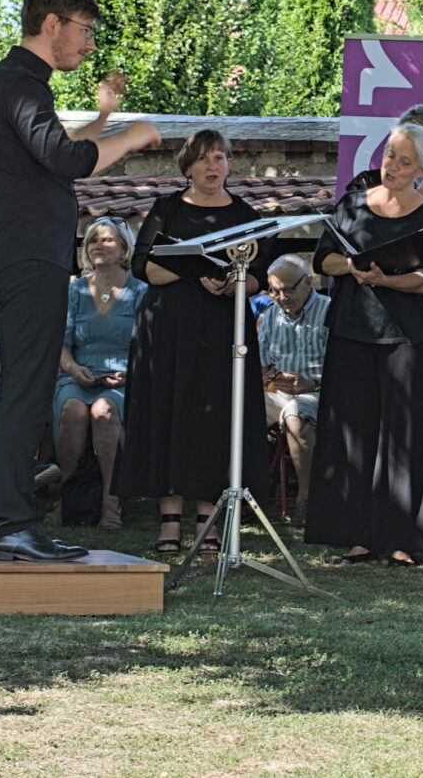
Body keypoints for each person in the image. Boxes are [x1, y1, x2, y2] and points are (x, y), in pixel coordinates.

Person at [0, 0, 158, 562]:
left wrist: (102, 116)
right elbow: (66, 160)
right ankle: (9, 523)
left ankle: (4, 522)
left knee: (18, 392)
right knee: (23, 392)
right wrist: (133, 135)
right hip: (27, 257)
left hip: (21, 254)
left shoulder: (13, 84)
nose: (90, 44)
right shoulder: (21, 83)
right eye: (85, 30)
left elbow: (50, 160)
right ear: (52, 25)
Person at [117, 129, 269, 555]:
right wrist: (191, 271)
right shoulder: (166, 208)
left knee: (214, 420)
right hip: (167, 330)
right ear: (188, 167)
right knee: (167, 414)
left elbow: (260, 273)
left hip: (221, 329)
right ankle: (169, 523)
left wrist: (232, 283)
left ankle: (208, 521)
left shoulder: (243, 214)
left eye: (220, 158)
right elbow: (145, 268)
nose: (212, 166)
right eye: (204, 159)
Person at [306, 122, 423, 566]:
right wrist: (352, 267)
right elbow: (323, 259)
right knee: (356, 434)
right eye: (390, 156)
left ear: (422, 169)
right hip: (354, 331)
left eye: (405, 161)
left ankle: (403, 537)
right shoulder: (350, 206)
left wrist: (386, 278)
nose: (393, 166)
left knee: (404, 440)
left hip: (407, 336)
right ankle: (360, 535)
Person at [52, 217, 146, 530]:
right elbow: (61, 347)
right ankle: (72, 497)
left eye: (106, 240)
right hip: (77, 376)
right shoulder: (74, 291)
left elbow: (151, 348)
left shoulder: (140, 291)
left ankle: (111, 502)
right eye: (93, 240)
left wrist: (130, 374)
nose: (97, 246)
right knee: (73, 410)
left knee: (104, 411)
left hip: (124, 378)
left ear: (124, 249)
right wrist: (73, 368)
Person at [257, 254, 330, 525]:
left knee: (294, 415)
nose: (281, 297)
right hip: (280, 391)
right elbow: (263, 368)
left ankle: (307, 500)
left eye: (288, 289)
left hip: (322, 391)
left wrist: (313, 383)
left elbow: (347, 369)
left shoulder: (330, 311)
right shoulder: (269, 316)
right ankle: (246, 495)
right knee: (239, 408)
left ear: (308, 281)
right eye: (274, 291)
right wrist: (272, 378)